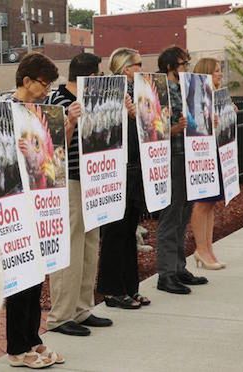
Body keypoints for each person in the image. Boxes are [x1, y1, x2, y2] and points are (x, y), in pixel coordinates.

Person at [2, 52, 65, 369]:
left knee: (37, 273)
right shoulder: (3, 111)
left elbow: (50, 158)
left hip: (42, 201)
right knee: (20, 276)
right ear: (26, 81)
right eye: (44, 83)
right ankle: (16, 347)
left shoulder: (41, 113)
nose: (47, 89)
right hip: (15, 204)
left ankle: (32, 337)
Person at [45, 52, 113, 336]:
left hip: (94, 177)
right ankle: (61, 315)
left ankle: (83, 308)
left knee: (90, 244)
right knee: (70, 245)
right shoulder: (58, 100)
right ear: (90, 75)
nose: (102, 80)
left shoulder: (93, 98)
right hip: (70, 179)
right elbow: (52, 144)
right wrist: (70, 120)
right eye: (99, 74)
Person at [97, 48, 150, 309]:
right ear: (125, 68)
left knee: (129, 232)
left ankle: (130, 287)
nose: (142, 68)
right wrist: (126, 114)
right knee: (114, 233)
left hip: (136, 169)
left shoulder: (142, 93)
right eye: (138, 64)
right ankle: (112, 290)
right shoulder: (112, 93)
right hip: (116, 171)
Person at [156, 46, 208, 295]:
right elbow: (152, 129)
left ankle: (178, 267)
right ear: (169, 67)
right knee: (171, 214)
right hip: (171, 157)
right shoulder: (159, 91)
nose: (186, 67)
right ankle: (166, 274)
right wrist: (175, 129)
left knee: (184, 213)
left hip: (189, 155)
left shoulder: (187, 88)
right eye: (182, 64)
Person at [189, 58, 226, 270]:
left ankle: (208, 248)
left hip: (216, 152)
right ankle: (200, 249)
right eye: (216, 71)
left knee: (211, 203)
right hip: (202, 156)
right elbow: (192, 125)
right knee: (202, 203)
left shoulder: (216, 96)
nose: (220, 74)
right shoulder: (196, 97)